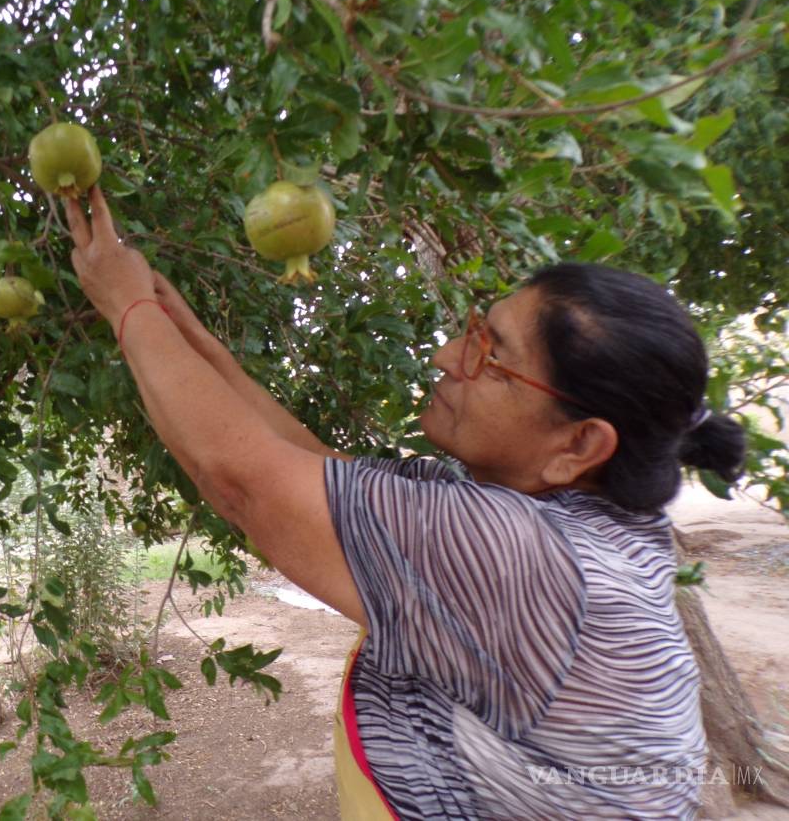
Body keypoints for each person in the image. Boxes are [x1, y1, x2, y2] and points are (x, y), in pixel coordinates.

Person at [62, 186, 747, 820]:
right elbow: (305, 463)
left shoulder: (532, 558)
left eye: (491, 353)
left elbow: (245, 483)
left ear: (578, 445)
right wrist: (170, 321)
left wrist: (126, 307)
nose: (450, 355)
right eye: (477, 328)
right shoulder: (571, 529)